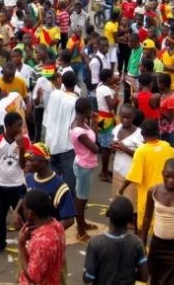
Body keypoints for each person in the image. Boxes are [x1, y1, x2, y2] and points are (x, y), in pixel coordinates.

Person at [141, 159, 174, 285]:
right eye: (167, 176)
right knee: (155, 280)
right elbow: (147, 217)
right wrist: (142, 244)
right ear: (162, 174)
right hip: (157, 247)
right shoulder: (153, 191)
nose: (171, 180)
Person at [119, 119, 174, 229]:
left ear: (142, 134)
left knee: (144, 225)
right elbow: (173, 158)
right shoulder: (166, 146)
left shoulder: (141, 151)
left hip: (147, 197)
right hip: (165, 194)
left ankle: (142, 244)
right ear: (158, 132)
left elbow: (133, 176)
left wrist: (121, 189)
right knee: (160, 225)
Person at [0, 112, 28, 257]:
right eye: (18, 126)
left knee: (24, 216)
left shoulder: (24, 142)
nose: (21, 128)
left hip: (18, 187)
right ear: (9, 127)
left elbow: (24, 166)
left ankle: (28, 242)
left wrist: (22, 148)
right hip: (1, 186)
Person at [83, 196, 149, 284]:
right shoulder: (137, 243)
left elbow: (88, 278)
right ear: (131, 220)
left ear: (108, 215)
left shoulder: (95, 243)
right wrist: (129, 274)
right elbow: (144, 276)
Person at [18, 142, 76, 230]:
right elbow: (23, 197)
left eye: (31, 160)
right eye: (27, 160)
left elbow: (69, 220)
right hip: (31, 234)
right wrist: (16, 212)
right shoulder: (28, 179)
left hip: (49, 240)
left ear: (44, 161)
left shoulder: (60, 186)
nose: (27, 163)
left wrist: (49, 233)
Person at [18, 189, 66, 285]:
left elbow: (33, 277)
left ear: (30, 213)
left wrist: (21, 245)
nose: (21, 211)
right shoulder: (56, 225)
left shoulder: (41, 242)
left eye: (23, 208)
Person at [43, 71, 79, 194]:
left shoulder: (55, 94)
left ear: (62, 82)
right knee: (69, 181)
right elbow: (75, 127)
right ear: (75, 83)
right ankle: (68, 203)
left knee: (52, 178)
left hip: (51, 143)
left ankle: (52, 201)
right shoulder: (75, 101)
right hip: (67, 146)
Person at [69, 97, 98, 242]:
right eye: (90, 110)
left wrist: (94, 123)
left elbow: (94, 139)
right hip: (83, 166)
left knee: (83, 197)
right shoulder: (79, 131)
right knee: (80, 199)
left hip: (85, 164)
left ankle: (82, 223)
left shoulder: (82, 124)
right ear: (86, 111)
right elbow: (95, 148)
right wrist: (95, 124)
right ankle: (80, 230)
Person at [111, 103, 144, 210]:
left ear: (133, 117)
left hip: (130, 174)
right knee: (117, 199)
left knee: (130, 202)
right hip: (117, 170)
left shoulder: (139, 134)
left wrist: (125, 149)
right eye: (123, 117)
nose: (125, 120)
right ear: (119, 115)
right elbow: (113, 149)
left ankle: (130, 221)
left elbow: (141, 157)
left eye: (128, 118)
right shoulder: (117, 128)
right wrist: (113, 147)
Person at [96, 68, 120, 182]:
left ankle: (104, 170)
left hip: (102, 118)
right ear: (107, 79)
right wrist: (115, 94)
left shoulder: (100, 86)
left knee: (105, 146)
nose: (113, 79)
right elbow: (111, 106)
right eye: (111, 77)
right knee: (107, 148)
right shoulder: (105, 89)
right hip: (107, 119)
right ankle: (103, 173)